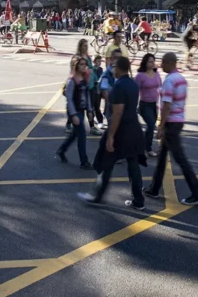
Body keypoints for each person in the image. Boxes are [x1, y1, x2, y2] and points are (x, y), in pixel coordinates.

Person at [79, 55, 147, 211]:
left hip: (121, 131)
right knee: (133, 165)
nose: (112, 69)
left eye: (114, 66)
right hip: (134, 129)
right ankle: (139, 200)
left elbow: (117, 114)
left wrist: (110, 137)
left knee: (106, 163)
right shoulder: (133, 84)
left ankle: (97, 196)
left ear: (120, 68)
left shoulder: (118, 87)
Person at [143, 52, 198, 206]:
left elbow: (167, 106)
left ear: (169, 63)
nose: (161, 65)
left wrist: (161, 126)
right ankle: (154, 188)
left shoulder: (170, 81)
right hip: (179, 120)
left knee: (180, 158)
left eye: (163, 62)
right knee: (162, 156)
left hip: (171, 123)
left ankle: (197, 193)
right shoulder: (181, 79)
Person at [55, 57, 93, 170]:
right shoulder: (71, 81)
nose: (83, 66)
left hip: (81, 110)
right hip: (74, 111)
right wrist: (73, 115)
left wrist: (90, 110)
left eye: (85, 64)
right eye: (81, 64)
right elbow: (70, 99)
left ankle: (61, 150)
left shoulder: (85, 78)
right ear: (76, 66)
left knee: (74, 134)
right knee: (81, 135)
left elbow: (87, 95)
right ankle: (84, 161)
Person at [135, 53, 162, 157]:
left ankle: (145, 146)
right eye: (150, 61)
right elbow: (135, 91)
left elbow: (161, 87)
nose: (152, 63)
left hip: (154, 104)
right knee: (151, 125)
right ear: (145, 63)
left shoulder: (157, 74)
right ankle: (148, 148)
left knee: (150, 127)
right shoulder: (140, 76)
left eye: (153, 61)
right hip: (144, 104)